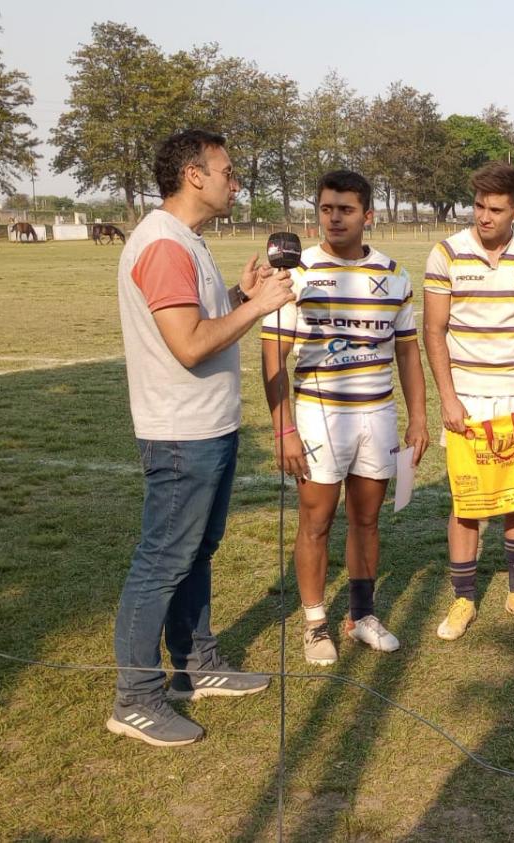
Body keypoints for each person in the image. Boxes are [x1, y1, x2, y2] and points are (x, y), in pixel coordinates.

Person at [108, 129, 295, 747]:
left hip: (208, 426)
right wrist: (260, 305)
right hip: (180, 433)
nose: (234, 181)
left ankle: (195, 665)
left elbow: (201, 319)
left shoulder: (186, 240)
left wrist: (240, 294)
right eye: (227, 171)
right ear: (194, 175)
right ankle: (136, 697)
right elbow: (188, 345)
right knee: (162, 561)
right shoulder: (162, 244)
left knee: (196, 551)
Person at [260, 170, 427, 665]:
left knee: (367, 519)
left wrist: (418, 418)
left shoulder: (394, 274)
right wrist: (284, 428)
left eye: (345, 209)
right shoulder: (295, 274)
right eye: (326, 208)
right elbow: (274, 357)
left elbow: (408, 354)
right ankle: (315, 625)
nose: (333, 217)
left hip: (377, 414)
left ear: (367, 216)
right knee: (317, 520)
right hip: (317, 415)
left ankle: (362, 615)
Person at [423, 162, 514, 641]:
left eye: (495, 209)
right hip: (468, 400)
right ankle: (463, 599)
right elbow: (433, 331)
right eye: (478, 205)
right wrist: (448, 398)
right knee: (467, 501)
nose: (483, 216)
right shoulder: (446, 255)